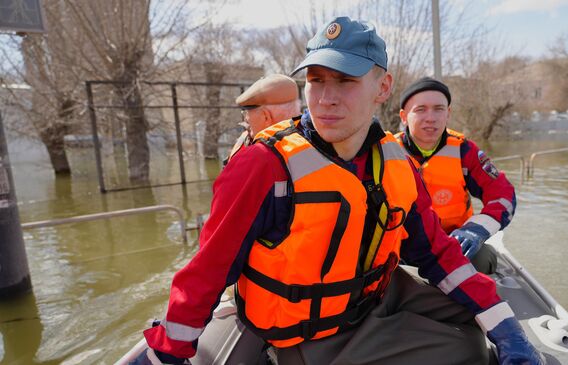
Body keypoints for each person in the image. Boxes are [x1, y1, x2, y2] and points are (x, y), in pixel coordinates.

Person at [133, 17, 544, 365]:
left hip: (375, 293)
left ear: (382, 88)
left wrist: (507, 328)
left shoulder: (395, 160)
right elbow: (207, 271)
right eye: (315, 80)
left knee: (481, 326)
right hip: (305, 332)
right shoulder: (262, 165)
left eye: (345, 80)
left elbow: (435, 251)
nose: (326, 98)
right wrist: (163, 353)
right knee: (468, 347)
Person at [397, 78, 516, 274]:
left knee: (483, 260)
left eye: (438, 109)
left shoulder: (464, 150)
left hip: (455, 242)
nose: (431, 118)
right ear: (403, 116)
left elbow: (503, 196)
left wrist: (475, 231)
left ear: (448, 113)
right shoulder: (387, 152)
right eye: (420, 109)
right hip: (403, 247)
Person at [225, 74, 302, 165]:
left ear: (266, 117)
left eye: (246, 113)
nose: (245, 119)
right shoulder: (314, 139)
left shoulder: (258, 156)